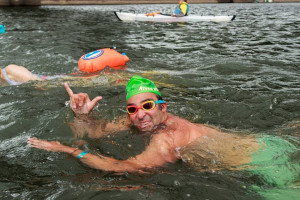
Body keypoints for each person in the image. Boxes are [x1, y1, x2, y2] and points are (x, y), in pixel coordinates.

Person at [28, 75, 264, 173]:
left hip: (264, 163)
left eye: (147, 106)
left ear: (163, 106)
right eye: (132, 109)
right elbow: (97, 133)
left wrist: (68, 149)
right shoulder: (143, 120)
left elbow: (124, 167)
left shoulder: (167, 138)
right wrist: (81, 115)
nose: (140, 115)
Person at [0, 64, 65, 85]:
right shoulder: (2, 78)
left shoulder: (10, 70)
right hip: (43, 83)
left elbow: (34, 80)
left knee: (74, 82)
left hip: (48, 81)